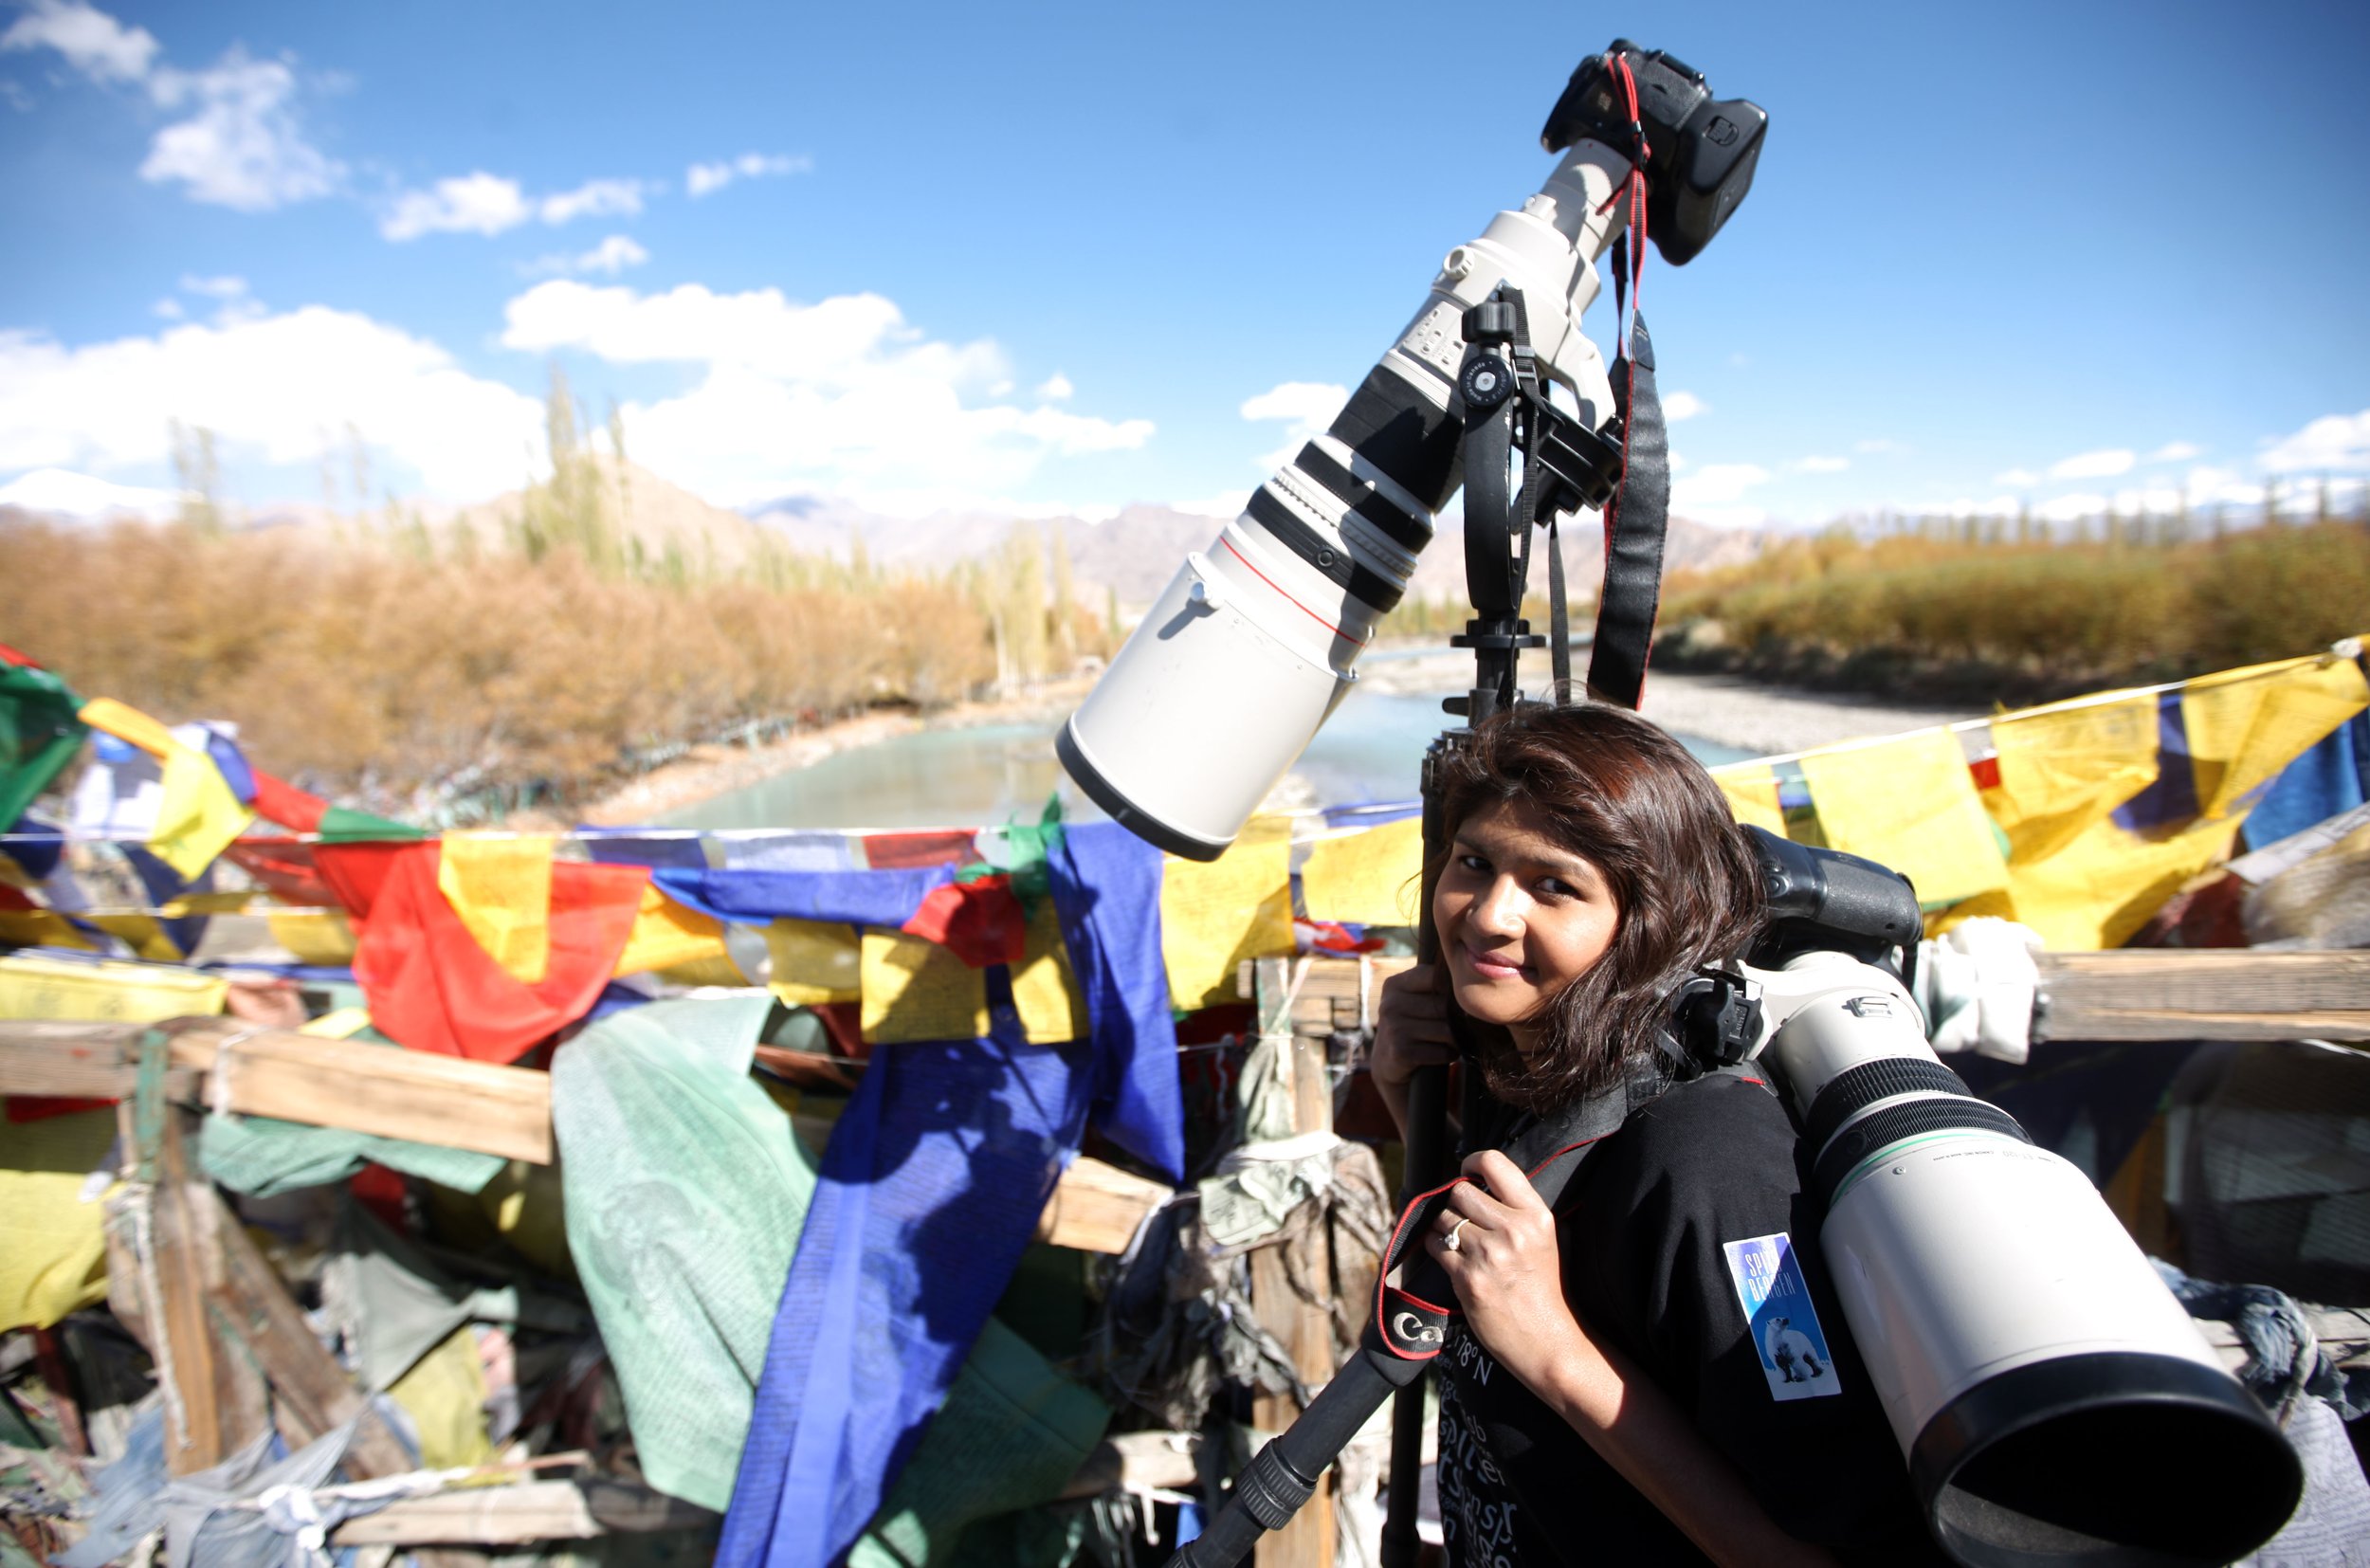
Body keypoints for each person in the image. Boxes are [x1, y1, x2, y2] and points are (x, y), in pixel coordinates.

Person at [1370, 702, 1942, 1567]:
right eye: (1473, 863)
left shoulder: (1711, 1163)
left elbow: (1818, 1558)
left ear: (1646, 923)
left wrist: (1555, 1349)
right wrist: (1399, 1095)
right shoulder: (1528, 1067)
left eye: (1553, 885)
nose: (1489, 915)